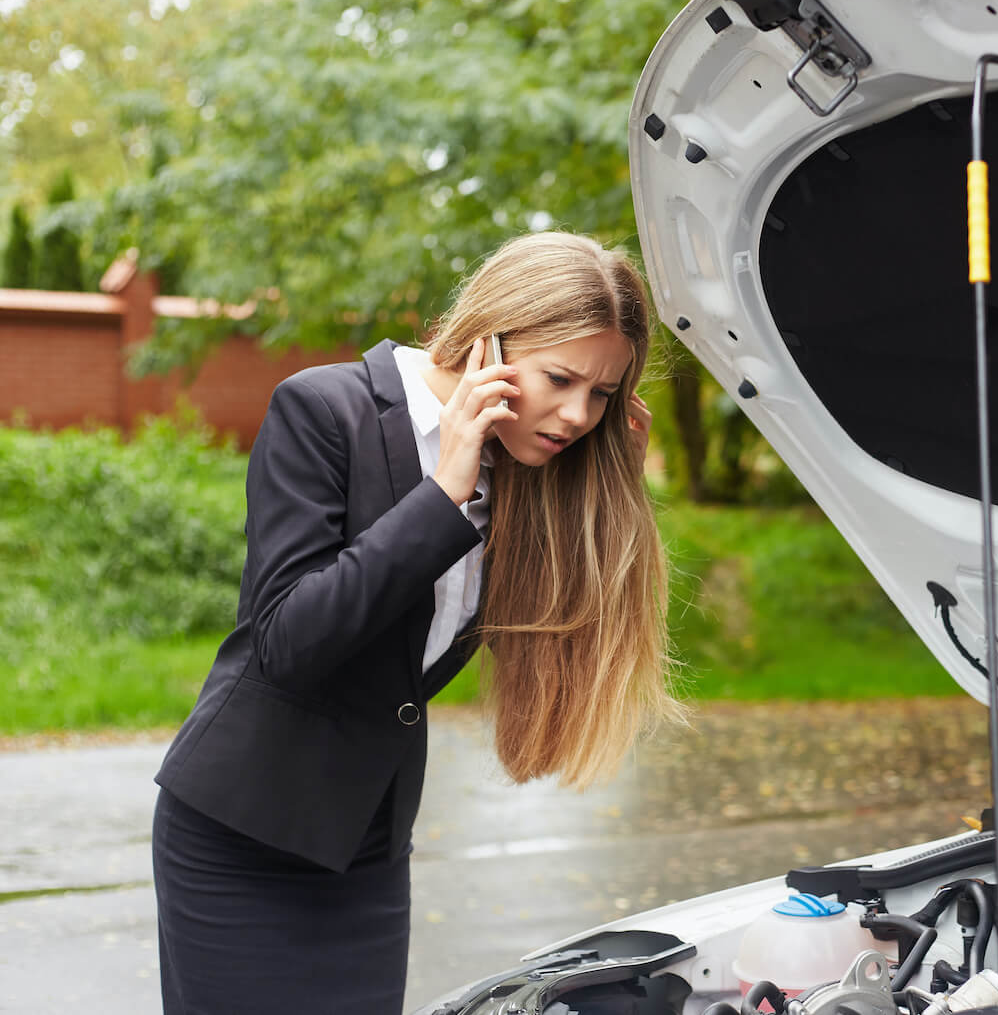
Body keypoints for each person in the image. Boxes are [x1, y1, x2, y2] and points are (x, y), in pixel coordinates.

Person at [150, 231, 681, 1014]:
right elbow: (290, 642)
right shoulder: (325, 410)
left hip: (365, 851)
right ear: (489, 340)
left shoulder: (525, 468)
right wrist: (443, 491)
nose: (576, 414)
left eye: (601, 394)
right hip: (242, 840)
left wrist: (614, 501)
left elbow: (556, 636)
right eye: (561, 378)